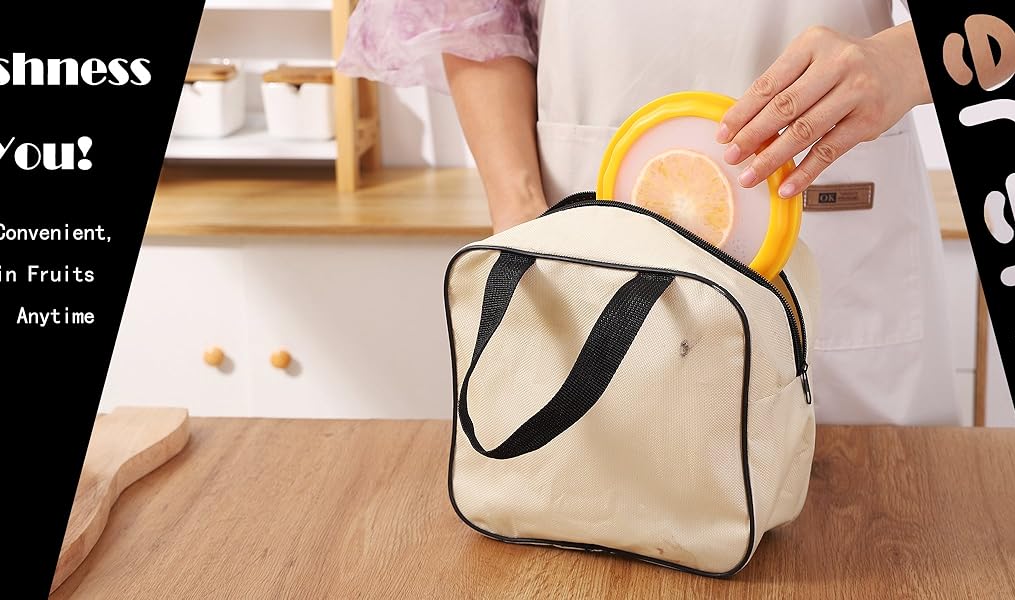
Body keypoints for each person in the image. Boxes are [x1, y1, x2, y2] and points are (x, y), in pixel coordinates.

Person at [339, 0, 961, 425]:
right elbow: (470, 16)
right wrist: (520, 210)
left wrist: (902, 62)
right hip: (580, 227)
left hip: (831, 219)